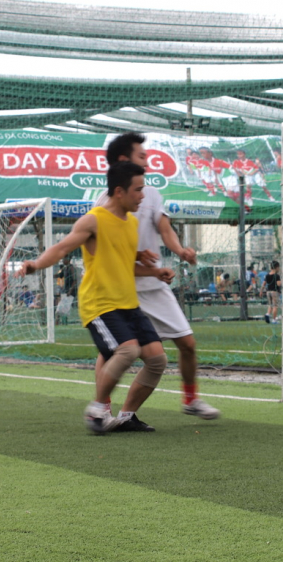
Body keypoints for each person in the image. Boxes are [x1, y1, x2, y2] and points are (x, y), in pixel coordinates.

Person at [17, 161, 175, 433]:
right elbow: (62, 248)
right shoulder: (93, 219)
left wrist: (156, 272)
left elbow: (124, 264)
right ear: (119, 191)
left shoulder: (131, 223)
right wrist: (35, 265)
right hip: (100, 304)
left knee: (157, 359)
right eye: (138, 190)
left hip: (128, 303)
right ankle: (98, 410)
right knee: (128, 350)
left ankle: (126, 416)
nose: (142, 196)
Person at [97, 132, 221, 420]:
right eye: (141, 155)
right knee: (113, 351)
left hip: (154, 285)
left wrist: (180, 251)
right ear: (123, 160)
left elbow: (164, 228)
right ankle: (101, 408)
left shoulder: (149, 192)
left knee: (187, 344)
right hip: (122, 290)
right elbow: (110, 254)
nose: (147, 159)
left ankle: (190, 399)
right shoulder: (102, 205)